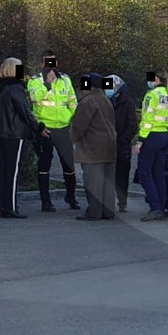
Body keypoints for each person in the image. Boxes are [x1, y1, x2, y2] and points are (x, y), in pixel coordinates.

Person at [0, 57, 48, 219]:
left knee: (1, 169)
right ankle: (11, 206)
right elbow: (24, 111)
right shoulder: (16, 88)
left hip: (0, 132)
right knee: (13, 171)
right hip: (15, 133)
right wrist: (38, 128)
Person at [26, 50, 81, 211]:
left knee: (68, 165)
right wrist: (47, 84)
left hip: (63, 128)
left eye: (53, 62)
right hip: (45, 129)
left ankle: (71, 197)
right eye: (47, 63)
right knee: (44, 165)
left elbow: (72, 102)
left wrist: (71, 118)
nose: (51, 67)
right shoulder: (35, 81)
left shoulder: (65, 80)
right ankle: (46, 201)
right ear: (41, 64)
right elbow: (34, 98)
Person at [70, 73, 117, 221]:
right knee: (107, 182)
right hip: (109, 145)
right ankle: (108, 211)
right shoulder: (105, 99)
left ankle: (94, 212)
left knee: (93, 181)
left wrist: (72, 138)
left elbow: (79, 125)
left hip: (92, 147)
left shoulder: (87, 101)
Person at [133, 69, 168, 222]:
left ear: (157, 79)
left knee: (145, 173)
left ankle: (155, 207)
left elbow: (147, 119)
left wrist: (140, 140)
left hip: (151, 136)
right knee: (158, 173)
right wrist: (166, 136)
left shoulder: (152, 95)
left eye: (151, 79)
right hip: (164, 136)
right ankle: (161, 206)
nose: (149, 81)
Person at [105, 74, 139, 213]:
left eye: (110, 87)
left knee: (122, 175)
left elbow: (132, 125)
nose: (107, 90)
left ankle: (122, 202)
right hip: (107, 145)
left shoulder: (127, 103)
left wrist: (122, 139)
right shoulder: (106, 102)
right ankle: (108, 202)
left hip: (121, 146)